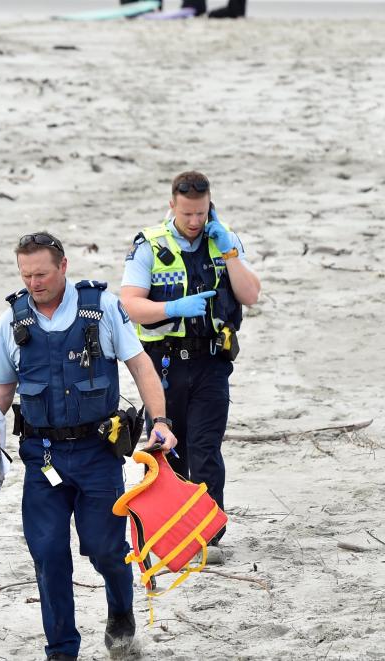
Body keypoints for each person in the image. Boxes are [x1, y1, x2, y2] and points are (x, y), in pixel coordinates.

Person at [0, 232, 177, 661]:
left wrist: (160, 422)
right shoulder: (11, 323)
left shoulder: (104, 308)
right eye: (26, 275)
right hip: (43, 459)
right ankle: (61, 650)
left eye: (41, 273)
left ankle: (120, 613)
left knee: (106, 550)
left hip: (98, 455)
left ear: (63, 267)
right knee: (47, 555)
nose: (34, 282)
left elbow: (140, 366)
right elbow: (2, 389)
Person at [120, 171, 260, 547]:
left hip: (211, 362)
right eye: (188, 215)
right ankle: (171, 534)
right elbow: (130, 305)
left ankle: (208, 536)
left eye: (202, 213)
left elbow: (249, 294)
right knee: (167, 449)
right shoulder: (149, 244)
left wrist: (229, 252)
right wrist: (173, 306)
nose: (196, 222)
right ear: (172, 207)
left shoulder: (224, 239)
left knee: (205, 448)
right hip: (163, 366)